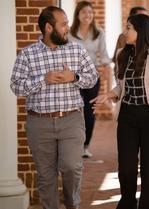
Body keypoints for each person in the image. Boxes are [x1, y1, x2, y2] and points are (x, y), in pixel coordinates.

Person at [10, 6, 98, 209]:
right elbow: (16, 86)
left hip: (71, 119)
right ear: (49, 27)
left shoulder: (76, 49)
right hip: (38, 122)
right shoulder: (27, 55)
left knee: (71, 167)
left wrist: (74, 77)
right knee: (46, 175)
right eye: (64, 24)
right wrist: (44, 79)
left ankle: (72, 205)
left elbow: (92, 78)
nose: (68, 28)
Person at [90, 14, 149, 209]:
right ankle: (127, 203)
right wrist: (108, 95)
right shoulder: (122, 54)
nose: (125, 32)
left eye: (129, 28)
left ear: (141, 30)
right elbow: (121, 87)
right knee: (126, 168)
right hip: (127, 116)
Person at [68, 1, 112, 158]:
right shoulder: (69, 34)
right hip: (72, 78)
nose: (87, 15)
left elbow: (104, 54)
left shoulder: (99, 32)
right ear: (78, 15)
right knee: (75, 112)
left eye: (90, 12)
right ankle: (75, 144)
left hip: (92, 77)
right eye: (84, 12)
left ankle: (85, 146)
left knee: (89, 112)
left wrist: (107, 67)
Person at [112, 6, 148, 74]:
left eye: (146, 17)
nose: (145, 21)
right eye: (141, 17)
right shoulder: (123, 37)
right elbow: (117, 61)